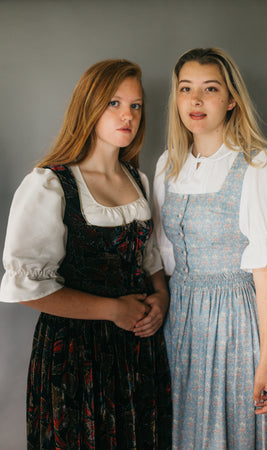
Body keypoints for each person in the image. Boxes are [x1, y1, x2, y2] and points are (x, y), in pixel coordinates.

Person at [0, 59, 172, 449]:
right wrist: (113, 309)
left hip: (137, 348)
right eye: (114, 103)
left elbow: (150, 261)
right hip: (76, 354)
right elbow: (27, 289)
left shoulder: (138, 179)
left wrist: (160, 296)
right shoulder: (50, 183)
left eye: (136, 105)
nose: (127, 115)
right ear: (89, 105)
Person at [153, 47, 267, 449]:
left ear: (231, 99)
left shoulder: (258, 164)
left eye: (210, 89)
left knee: (233, 429)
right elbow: (164, 255)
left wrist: (266, 358)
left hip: (236, 322)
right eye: (186, 89)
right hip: (181, 321)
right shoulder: (168, 165)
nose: (195, 100)